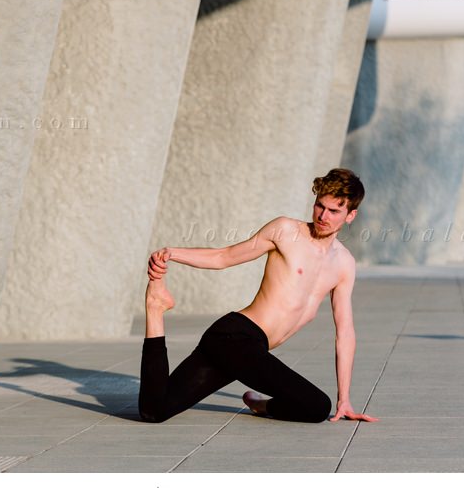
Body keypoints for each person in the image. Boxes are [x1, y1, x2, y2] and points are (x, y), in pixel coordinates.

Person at [139, 168, 378, 424]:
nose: (322, 216)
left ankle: (259, 404)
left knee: (155, 410)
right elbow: (225, 257)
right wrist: (172, 252)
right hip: (235, 337)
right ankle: (155, 305)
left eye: (333, 211)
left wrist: (345, 399)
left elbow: (345, 332)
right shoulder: (286, 231)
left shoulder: (344, 264)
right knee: (318, 404)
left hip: (249, 352)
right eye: (320, 206)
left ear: (350, 215)